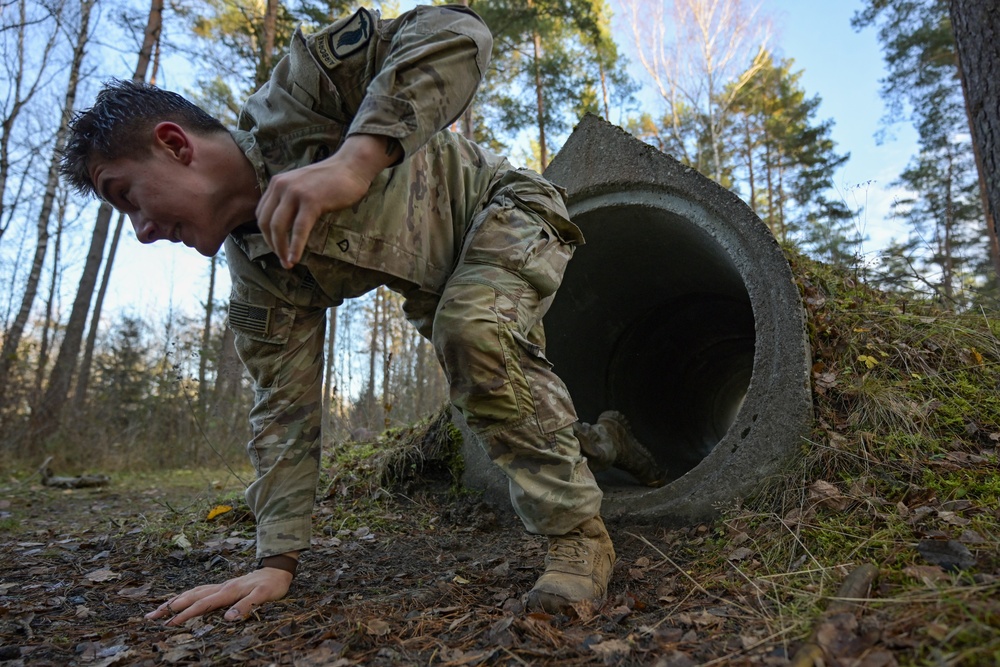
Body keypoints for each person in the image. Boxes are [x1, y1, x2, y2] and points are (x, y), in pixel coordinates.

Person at [61, 4, 665, 626]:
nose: (141, 232)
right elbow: (282, 413)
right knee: (495, 398)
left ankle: (578, 540)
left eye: (126, 196)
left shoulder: (301, 97)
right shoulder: (261, 277)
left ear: (174, 144)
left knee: (472, 332)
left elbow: (458, 31)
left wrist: (355, 158)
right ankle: (604, 441)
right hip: (445, 286)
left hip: (506, 207)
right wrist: (277, 559)